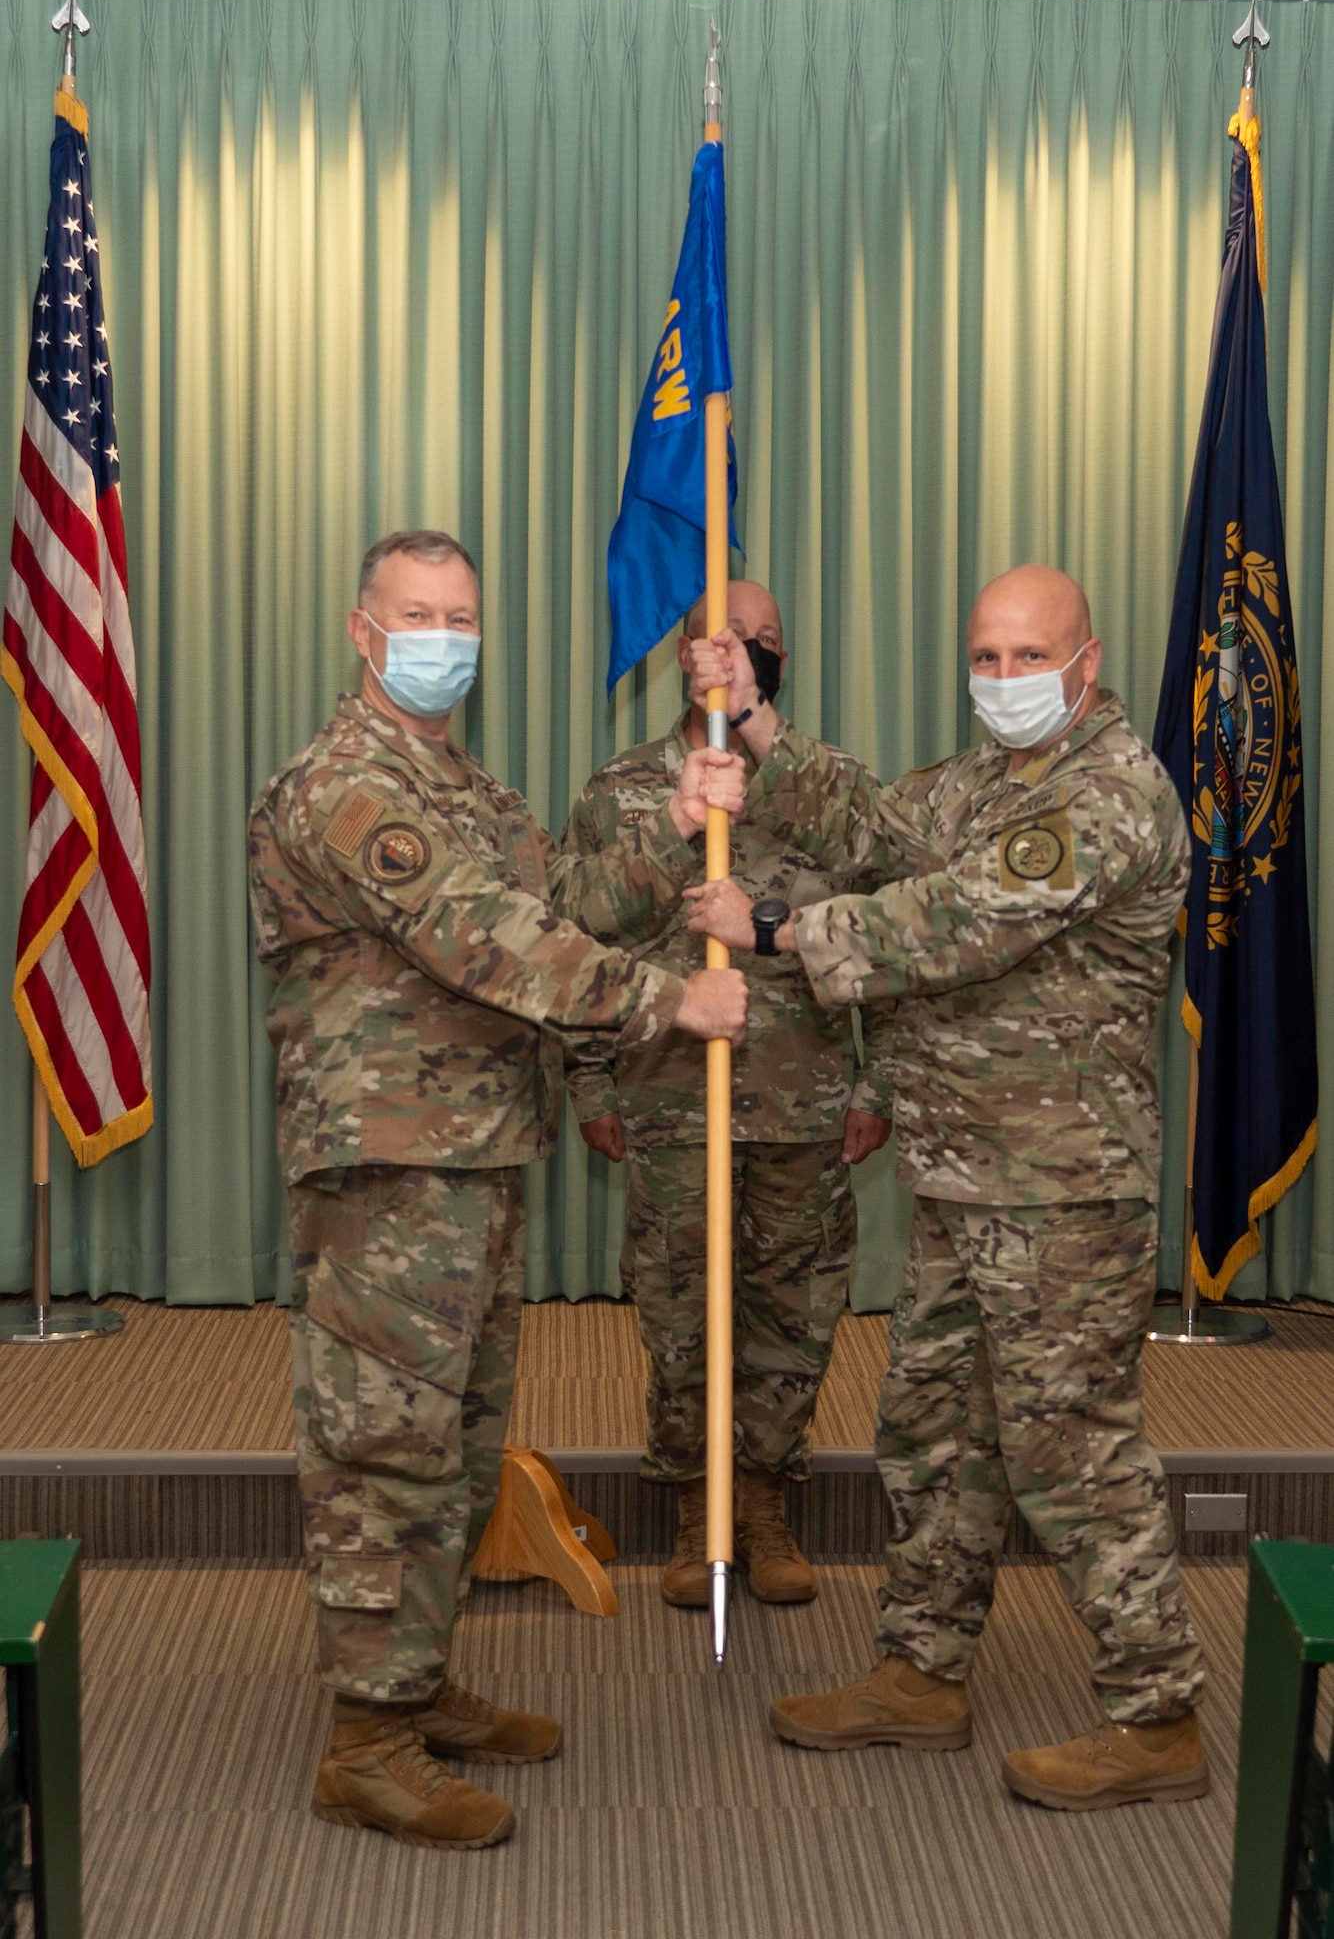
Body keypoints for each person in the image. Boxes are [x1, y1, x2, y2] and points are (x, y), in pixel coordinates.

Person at [247, 529, 749, 1851]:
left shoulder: (458, 785)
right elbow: (486, 938)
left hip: (473, 1157)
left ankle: (412, 1684)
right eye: (417, 614)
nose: (442, 637)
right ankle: (364, 1739)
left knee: (458, 1451)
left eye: (460, 615)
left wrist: (674, 815)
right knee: (382, 1454)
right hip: (388, 1166)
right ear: (363, 632)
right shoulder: (346, 785)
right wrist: (671, 1000)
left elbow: (565, 894)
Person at [684, 564, 1208, 1812]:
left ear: (1086, 663)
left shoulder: (1108, 795)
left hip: (1060, 1187)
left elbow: (960, 915)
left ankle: (1157, 1708)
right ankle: (920, 1669)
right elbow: (874, 827)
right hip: (962, 1174)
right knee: (932, 1431)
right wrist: (751, 715)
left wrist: (770, 930)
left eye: (1028, 656)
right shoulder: (983, 784)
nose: (1003, 679)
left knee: (1068, 1445)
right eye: (985, 656)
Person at [560, 581, 893, 1609]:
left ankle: (763, 1501)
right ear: (681, 657)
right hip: (666, 1095)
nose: (745, 651)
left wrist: (875, 1076)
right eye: (724, 637)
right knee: (678, 1314)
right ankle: (693, 1506)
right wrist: (586, 1077)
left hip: (800, 1098)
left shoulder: (824, 783)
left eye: (764, 639)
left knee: (791, 1315)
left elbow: (889, 920)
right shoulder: (620, 788)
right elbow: (575, 935)